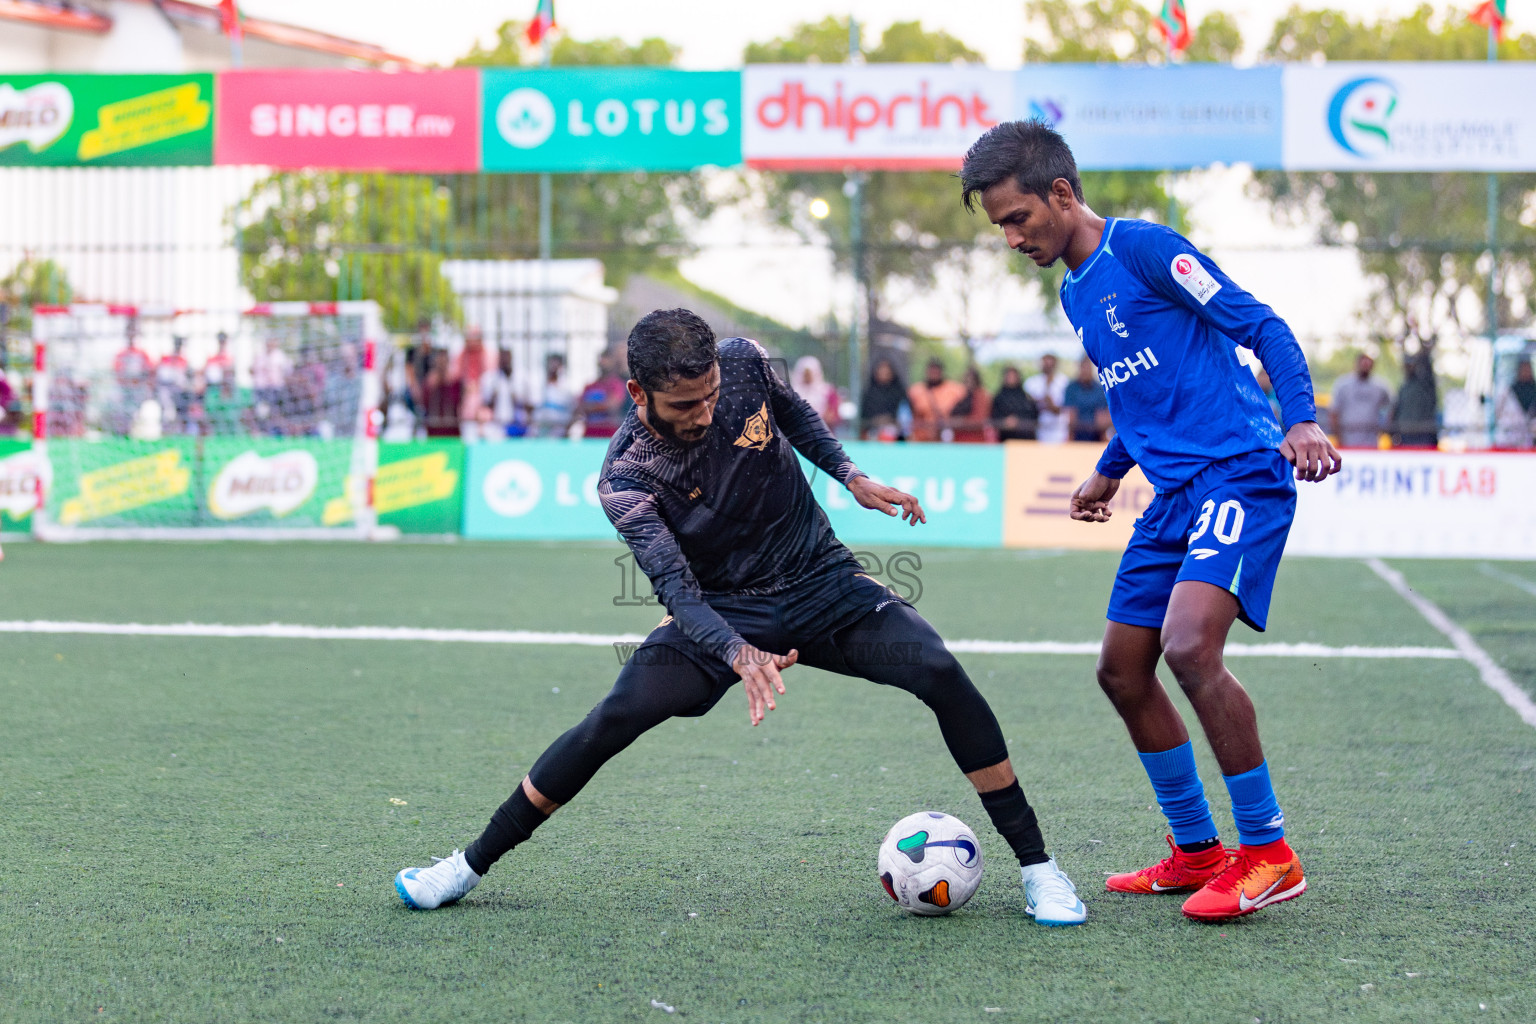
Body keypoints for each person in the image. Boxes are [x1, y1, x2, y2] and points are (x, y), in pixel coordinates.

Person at [394, 308, 1088, 926]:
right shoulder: (627, 476)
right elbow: (676, 588)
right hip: (722, 609)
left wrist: (850, 474)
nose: (702, 412)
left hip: (821, 577)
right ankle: (467, 864)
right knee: (613, 718)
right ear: (638, 394)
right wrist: (737, 652)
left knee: (937, 668)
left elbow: (796, 416)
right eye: (684, 404)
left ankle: (1038, 868)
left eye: (710, 398)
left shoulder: (744, 363)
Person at [963, 119, 1340, 922]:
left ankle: (1269, 854)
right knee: (1121, 670)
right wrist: (1108, 471)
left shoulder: (1142, 249)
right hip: (1172, 497)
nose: (1010, 237)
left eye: (1018, 218)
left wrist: (1300, 418)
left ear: (1061, 193)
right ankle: (1198, 853)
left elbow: (1260, 324)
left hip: (1239, 471)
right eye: (999, 226)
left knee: (1189, 647)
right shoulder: (1074, 291)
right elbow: (1139, 398)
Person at [1329, 353, 1392, 448]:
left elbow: (1390, 407)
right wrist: (1338, 436)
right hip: (1348, 434)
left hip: (1371, 435)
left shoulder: (1380, 386)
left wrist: (1384, 427)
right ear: (1357, 364)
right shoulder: (1343, 385)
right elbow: (1334, 412)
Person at [575, 348, 632, 440]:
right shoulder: (589, 386)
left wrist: (589, 407)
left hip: (608, 435)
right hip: (589, 434)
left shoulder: (617, 385)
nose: (603, 364)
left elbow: (611, 406)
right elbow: (579, 407)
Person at [907, 358, 966, 442]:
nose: (934, 374)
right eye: (931, 371)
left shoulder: (955, 389)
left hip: (947, 435)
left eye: (936, 371)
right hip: (921, 437)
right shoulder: (916, 390)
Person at [478, 347, 526, 439]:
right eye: (502, 357)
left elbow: (524, 403)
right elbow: (486, 403)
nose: (505, 360)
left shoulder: (519, 378)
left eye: (507, 356)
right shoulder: (490, 378)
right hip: (496, 424)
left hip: (516, 424)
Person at [1393, 352, 1438, 448]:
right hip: (1405, 434)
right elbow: (1397, 408)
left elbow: (1427, 366)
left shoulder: (1425, 384)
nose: (1408, 367)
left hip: (1424, 433)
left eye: (1411, 364)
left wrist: (1424, 349)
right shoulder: (1404, 387)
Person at [525, 352, 574, 438]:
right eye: (551, 364)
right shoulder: (538, 385)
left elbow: (571, 411)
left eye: (556, 365)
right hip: (538, 428)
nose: (553, 367)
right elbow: (531, 407)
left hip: (558, 430)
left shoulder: (567, 388)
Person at [1063, 356, 1110, 442]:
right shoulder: (1071, 388)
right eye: (1083, 367)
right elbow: (1071, 416)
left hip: (1097, 435)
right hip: (1075, 434)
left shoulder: (1099, 389)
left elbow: (1102, 418)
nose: (1086, 371)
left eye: (1088, 367)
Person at [1024, 353, 1069, 443]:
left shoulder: (1064, 381)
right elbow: (1028, 401)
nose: (1048, 366)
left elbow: (1064, 406)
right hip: (1040, 427)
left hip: (1059, 428)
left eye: (1050, 364)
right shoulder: (1032, 382)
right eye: (1045, 363)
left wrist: (1050, 404)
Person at [859, 358, 907, 440]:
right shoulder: (869, 393)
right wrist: (876, 421)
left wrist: (890, 420)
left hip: (896, 434)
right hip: (872, 433)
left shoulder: (899, 393)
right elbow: (863, 417)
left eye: (886, 372)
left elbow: (905, 415)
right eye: (881, 371)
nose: (884, 374)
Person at [1493, 358, 1535, 449]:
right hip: (1509, 437)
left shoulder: (1533, 389)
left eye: (1528, 368)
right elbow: (1497, 413)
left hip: (1528, 438)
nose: (1526, 371)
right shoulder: (1508, 390)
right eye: (1523, 368)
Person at [790, 355, 840, 431]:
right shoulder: (790, 392)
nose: (807, 377)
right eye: (805, 374)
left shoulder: (827, 392)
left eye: (809, 374)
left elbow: (832, 416)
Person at [992, 366, 1039, 441]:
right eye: (1009, 376)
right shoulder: (999, 397)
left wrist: (1019, 420)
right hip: (1006, 438)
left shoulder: (1026, 397)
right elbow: (994, 416)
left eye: (1013, 376)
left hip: (1025, 438)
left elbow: (1033, 415)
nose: (1011, 378)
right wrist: (1005, 421)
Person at [948, 366, 992, 443]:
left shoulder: (981, 396)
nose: (969, 383)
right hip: (959, 440)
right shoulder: (960, 394)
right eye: (967, 380)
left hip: (974, 441)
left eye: (971, 380)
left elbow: (979, 420)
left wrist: (960, 422)